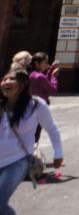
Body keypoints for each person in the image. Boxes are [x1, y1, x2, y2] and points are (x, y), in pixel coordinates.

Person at [0, 69, 64, 211]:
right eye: (4, 79)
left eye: (11, 79)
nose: (6, 82)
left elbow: (52, 128)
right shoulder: (1, 105)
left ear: (23, 83)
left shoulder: (35, 105)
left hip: (17, 161)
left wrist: (58, 152)